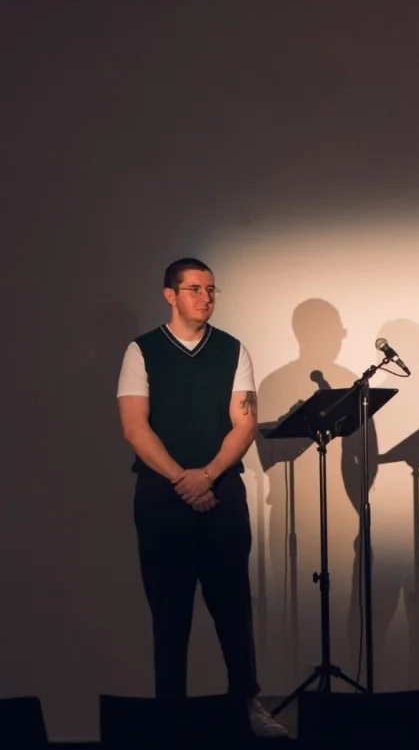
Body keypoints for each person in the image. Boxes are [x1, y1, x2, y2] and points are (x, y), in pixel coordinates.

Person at [116, 258, 287, 738]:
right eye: (194, 289)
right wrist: (183, 479)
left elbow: (244, 424)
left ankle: (246, 704)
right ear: (170, 295)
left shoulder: (232, 349)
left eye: (211, 290)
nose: (205, 298)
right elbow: (135, 426)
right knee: (169, 613)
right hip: (161, 495)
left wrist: (207, 476)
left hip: (221, 493)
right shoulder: (142, 350)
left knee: (233, 606)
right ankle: (171, 714)